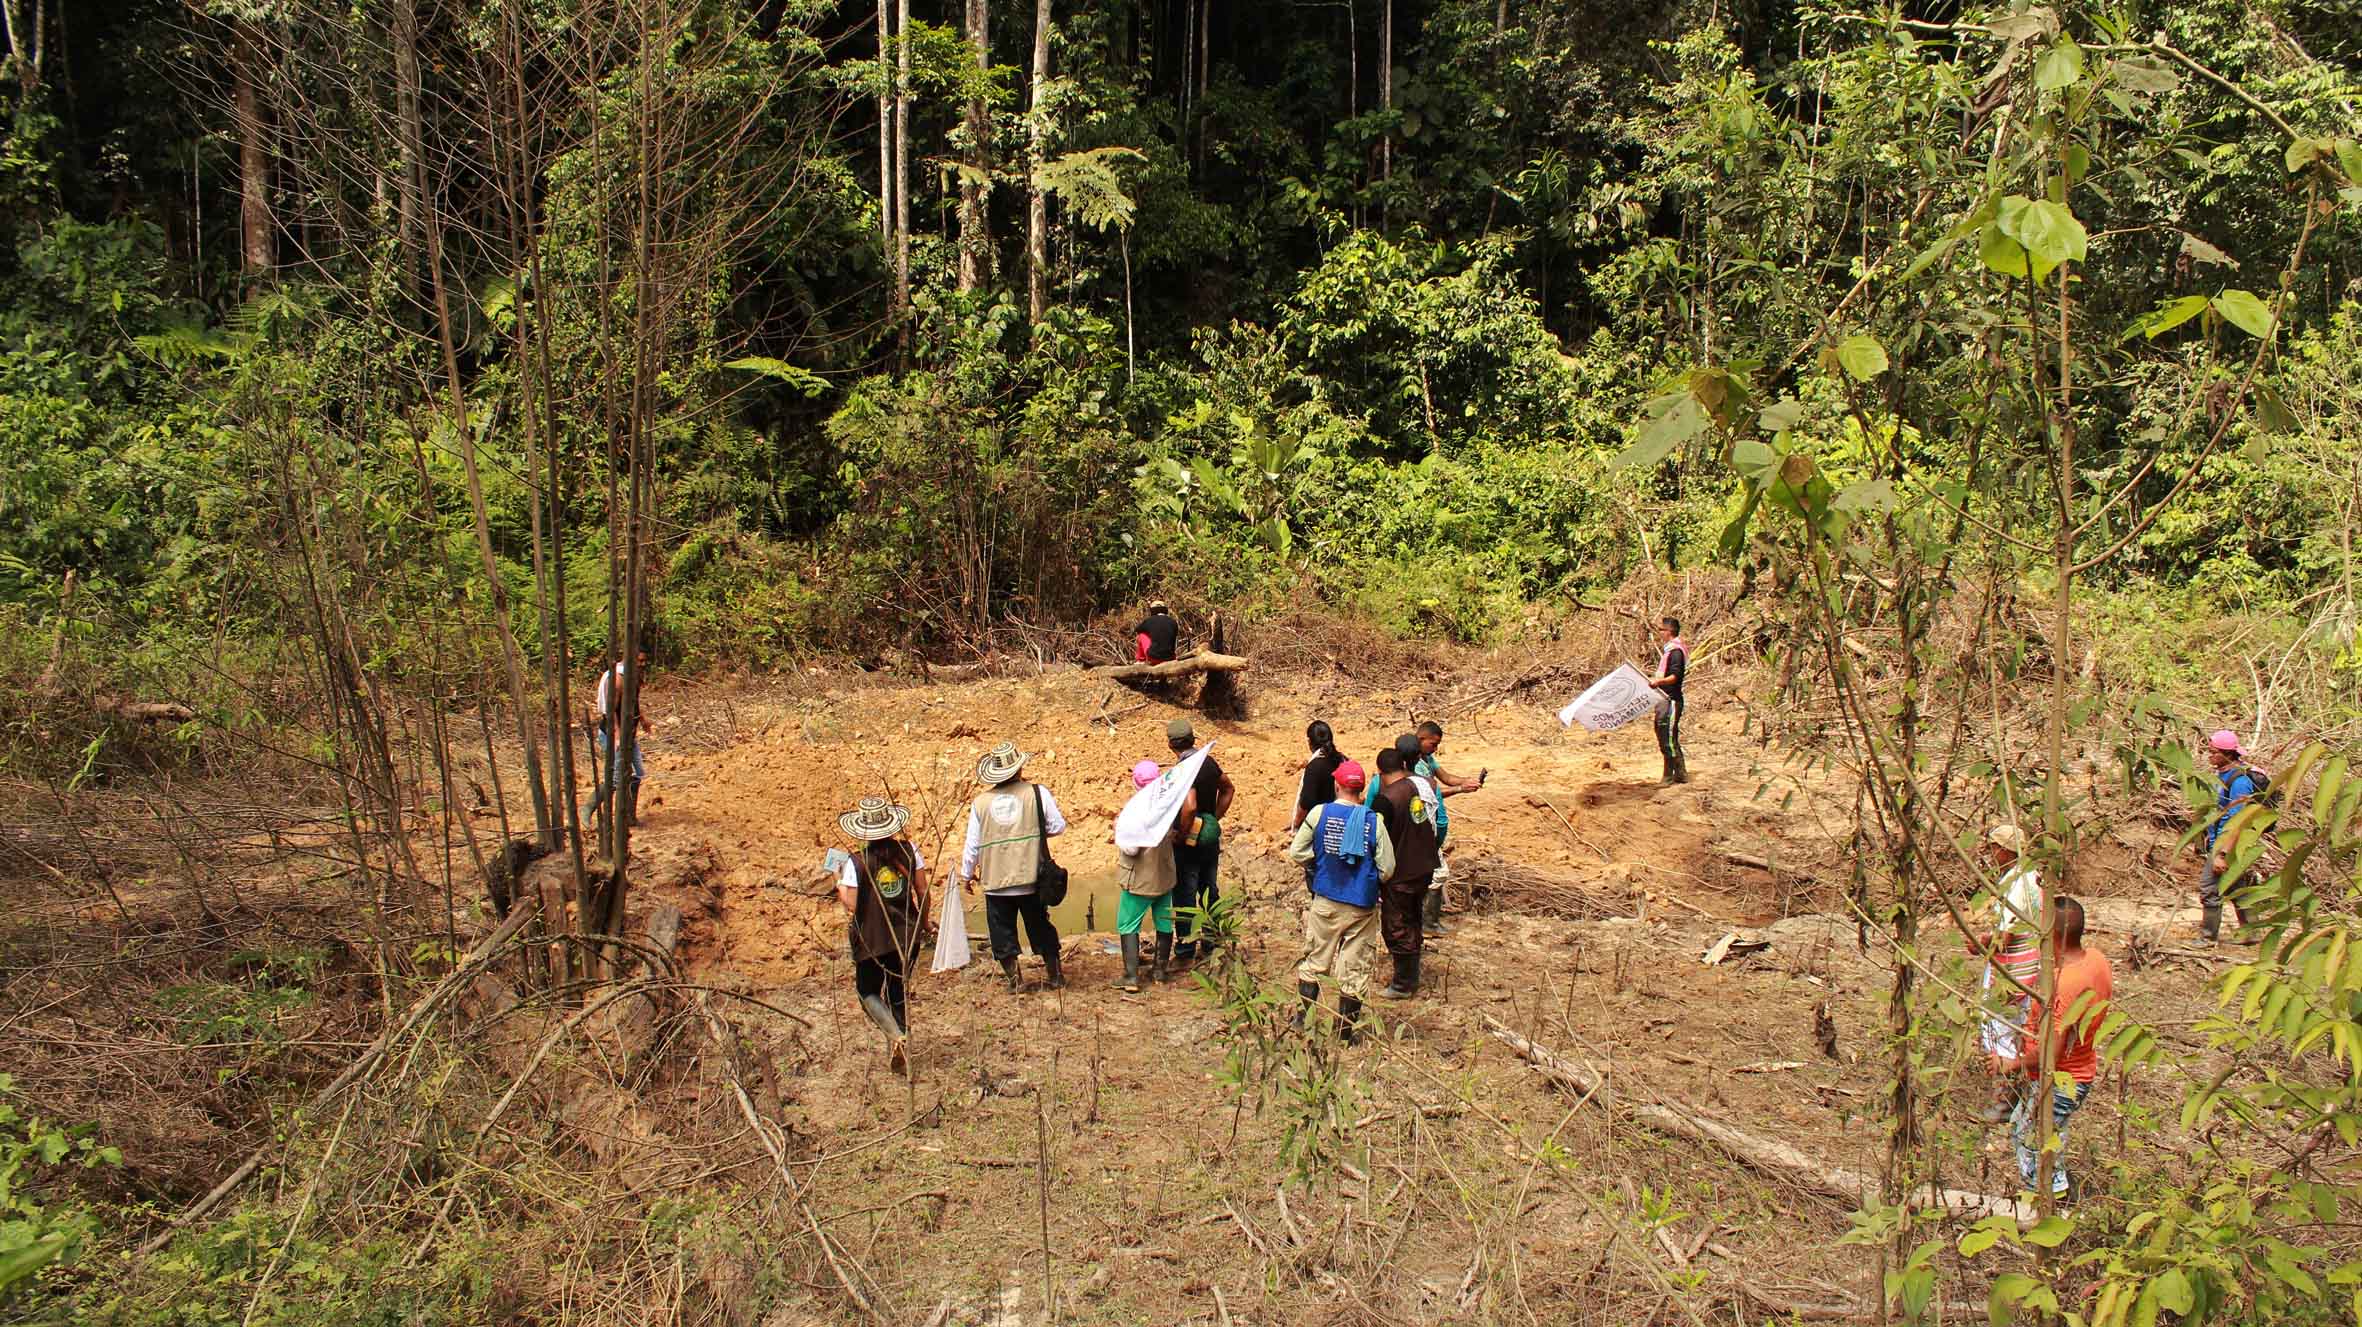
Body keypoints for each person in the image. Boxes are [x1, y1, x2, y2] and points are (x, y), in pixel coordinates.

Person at [1994, 896, 2111, 1200]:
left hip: (2061, 1078)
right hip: (2077, 1071)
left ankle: (2049, 1201)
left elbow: (2052, 1053)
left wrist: (2012, 1064)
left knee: (2029, 1136)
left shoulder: (2067, 983)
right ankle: (2056, 1193)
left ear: (2053, 934)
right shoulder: (2096, 959)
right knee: (2046, 1135)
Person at [1286, 759, 1395, 1043]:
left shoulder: (1320, 813)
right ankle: (1345, 1034)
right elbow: (1387, 868)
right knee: (1354, 969)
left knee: (1315, 960)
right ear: (1360, 790)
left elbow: (1297, 852)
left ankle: (1302, 1020)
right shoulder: (1373, 821)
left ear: (1337, 785)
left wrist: (1320, 862)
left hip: (1327, 899)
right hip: (1362, 904)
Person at [957, 741, 1069, 992]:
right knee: (1041, 926)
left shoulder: (980, 803)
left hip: (996, 882)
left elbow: (972, 844)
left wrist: (967, 874)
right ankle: (1055, 976)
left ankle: (1015, 981)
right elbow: (1057, 826)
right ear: (1019, 769)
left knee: (1001, 932)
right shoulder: (1037, 793)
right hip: (1031, 878)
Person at [835, 796, 927, 1075]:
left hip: (872, 939)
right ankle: (904, 1045)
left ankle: (896, 1036)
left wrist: (838, 882)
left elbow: (851, 903)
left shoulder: (855, 862)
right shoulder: (909, 850)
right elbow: (922, 890)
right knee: (898, 990)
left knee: (867, 992)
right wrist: (922, 923)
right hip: (906, 934)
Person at [1967, 824, 2044, 1122]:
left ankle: (2004, 1102)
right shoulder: (2032, 879)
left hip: (2012, 970)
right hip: (2027, 966)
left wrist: (1979, 943)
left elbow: (2006, 936)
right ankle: (2018, 1096)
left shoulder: (2018, 887)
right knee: (2019, 1029)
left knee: (1999, 1030)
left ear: (2005, 850)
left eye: (1993, 848)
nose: (1991, 853)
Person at [1112, 759, 1193, 993]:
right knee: (1165, 922)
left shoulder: (1135, 809)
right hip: (1164, 875)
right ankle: (1160, 971)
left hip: (1139, 878)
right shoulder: (1168, 804)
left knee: (1128, 923)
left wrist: (1118, 830)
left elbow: (1131, 849)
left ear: (1135, 783)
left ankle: (1130, 977)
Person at [1373, 746, 1442, 999]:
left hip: (1401, 872)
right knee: (1413, 918)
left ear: (1380, 772)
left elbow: (1376, 837)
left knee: (1397, 924)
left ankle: (1403, 984)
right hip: (1423, 865)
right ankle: (1411, 974)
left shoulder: (1387, 799)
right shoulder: (1418, 786)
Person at [1167, 719, 1234, 967]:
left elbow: (1190, 805)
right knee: (1209, 889)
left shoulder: (1186, 767)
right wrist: (1213, 819)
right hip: (1209, 838)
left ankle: (1185, 951)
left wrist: (1183, 834)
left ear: (1171, 744)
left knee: (1185, 893)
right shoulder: (1208, 761)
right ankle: (1212, 943)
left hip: (1190, 842)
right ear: (1192, 739)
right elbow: (1228, 788)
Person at [1413, 721, 1483, 937]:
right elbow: (1429, 792)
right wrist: (1460, 789)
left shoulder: (1427, 759)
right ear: (1421, 738)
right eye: (1433, 744)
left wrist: (1465, 781)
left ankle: (1426, 921)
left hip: (1434, 828)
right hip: (1425, 828)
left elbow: (1445, 777)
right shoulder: (1415, 765)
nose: (1435, 748)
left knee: (1433, 873)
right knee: (1437, 873)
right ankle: (1428, 923)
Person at [2197, 729, 2264, 944]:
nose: (2210, 756)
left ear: (2227, 754)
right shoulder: (2222, 775)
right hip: (2219, 842)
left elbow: (2239, 820)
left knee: (2209, 889)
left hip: (2230, 846)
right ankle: (2252, 933)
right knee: (2237, 889)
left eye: (2213, 752)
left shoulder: (2240, 781)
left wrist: (2223, 853)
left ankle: (2208, 938)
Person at [585, 649, 652, 828]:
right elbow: (610, 711)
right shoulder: (617, 679)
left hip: (628, 736)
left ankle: (629, 818)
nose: (642, 664)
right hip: (613, 735)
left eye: (644, 661)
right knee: (616, 779)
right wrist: (616, 736)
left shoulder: (633, 677)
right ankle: (588, 810)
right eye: (639, 661)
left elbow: (632, 702)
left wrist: (643, 719)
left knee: (637, 774)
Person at [1647, 618, 1689, 785]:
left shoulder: (1676, 652)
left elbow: (1675, 676)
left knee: (1668, 736)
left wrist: (1658, 682)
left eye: (1661, 630)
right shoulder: (1670, 651)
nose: (1660, 633)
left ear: (1669, 631)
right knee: (1666, 734)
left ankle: (1669, 775)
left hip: (1671, 700)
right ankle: (1680, 773)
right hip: (1664, 698)